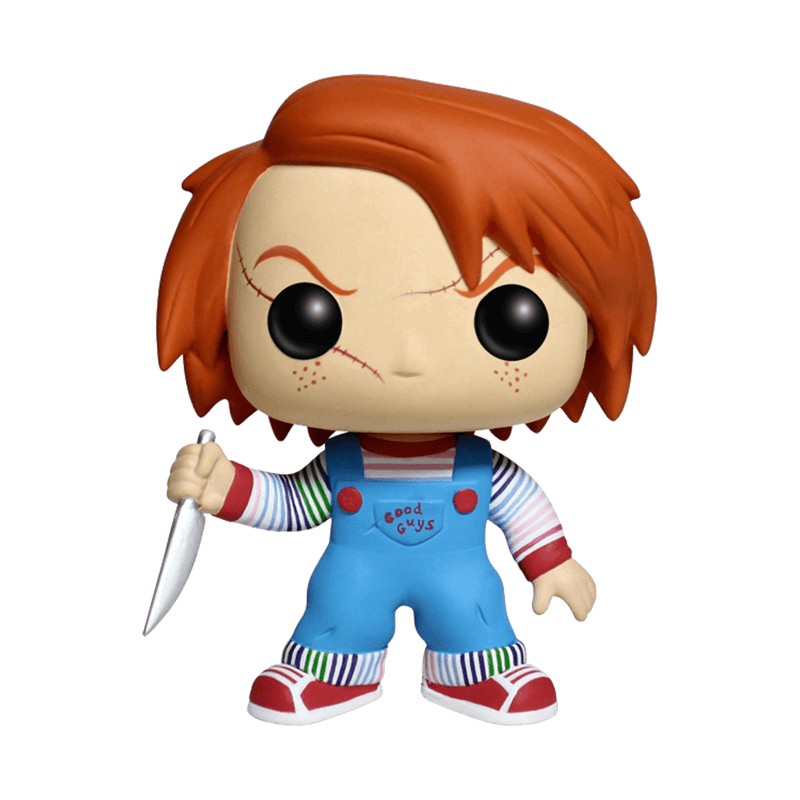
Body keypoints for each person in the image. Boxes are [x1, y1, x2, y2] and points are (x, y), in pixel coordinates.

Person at [158, 75, 656, 725]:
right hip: (353, 576)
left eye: (508, 316)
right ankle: (331, 669)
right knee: (339, 611)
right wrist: (224, 486)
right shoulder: (342, 466)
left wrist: (552, 562)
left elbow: (523, 507)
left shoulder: (483, 471)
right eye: (306, 316)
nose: (409, 359)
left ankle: (477, 669)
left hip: (461, 580)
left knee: (475, 614)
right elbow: (293, 504)